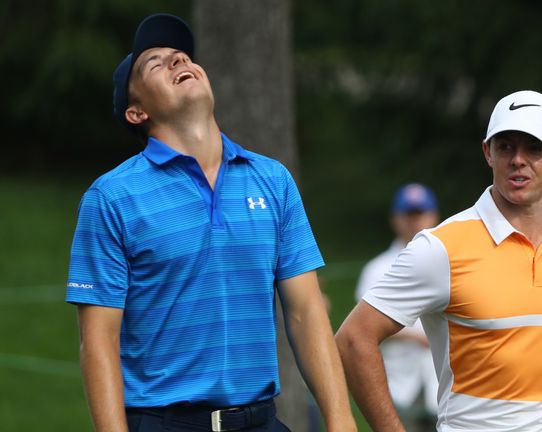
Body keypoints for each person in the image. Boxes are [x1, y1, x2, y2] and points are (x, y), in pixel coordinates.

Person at [65, 13, 355, 432]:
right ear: (136, 111)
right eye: (155, 63)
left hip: (261, 421)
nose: (178, 59)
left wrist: (341, 421)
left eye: (182, 55)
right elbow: (99, 342)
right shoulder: (111, 197)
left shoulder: (273, 180)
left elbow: (306, 313)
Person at [336, 90, 542, 431]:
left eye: (535, 148)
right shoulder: (440, 248)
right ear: (487, 152)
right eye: (505, 146)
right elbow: (354, 339)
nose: (518, 159)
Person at [354, 183, 441, 430]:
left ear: (434, 216)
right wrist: (416, 337)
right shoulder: (376, 269)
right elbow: (361, 330)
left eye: (420, 213)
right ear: (396, 219)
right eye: (408, 214)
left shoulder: (451, 262)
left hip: (443, 383)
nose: (414, 221)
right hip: (399, 382)